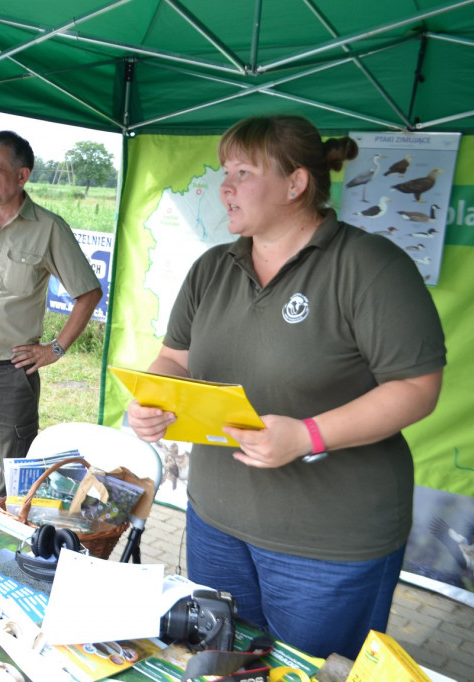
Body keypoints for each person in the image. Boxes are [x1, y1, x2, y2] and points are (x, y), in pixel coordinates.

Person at [125, 115, 446, 660]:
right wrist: (154, 399)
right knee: (230, 660)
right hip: (217, 523)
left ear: (296, 184)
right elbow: (173, 358)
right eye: (225, 171)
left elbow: (417, 386)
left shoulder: (369, 267)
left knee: (309, 669)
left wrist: (308, 435)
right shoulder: (212, 268)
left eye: (243, 172)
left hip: (328, 545)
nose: (223, 186)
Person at [0, 131, 102, 504]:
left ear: (22, 176)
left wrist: (55, 349)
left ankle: (10, 557)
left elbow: (89, 293)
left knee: (18, 476)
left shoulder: (48, 228)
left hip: (12, 375)